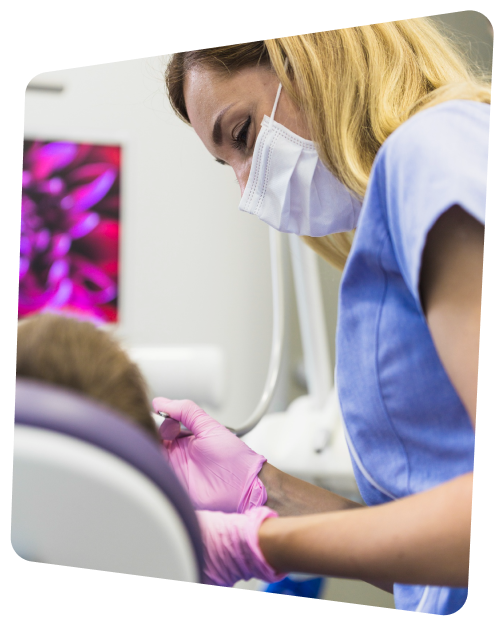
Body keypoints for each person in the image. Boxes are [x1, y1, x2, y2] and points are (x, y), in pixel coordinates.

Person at [158, 17, 491, 614]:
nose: (245, 187)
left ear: (310, 54)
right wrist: (267, 490)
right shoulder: (402, 196)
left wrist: (260, 545)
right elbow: (432, 562)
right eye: (225, 162)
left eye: (242, 132)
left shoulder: (432, 153)